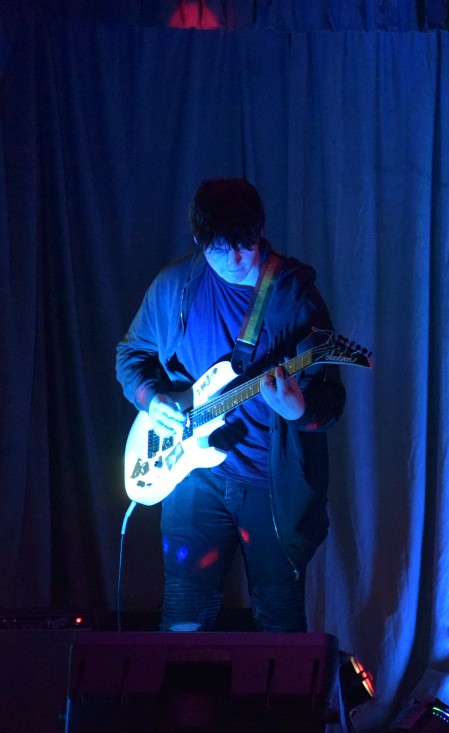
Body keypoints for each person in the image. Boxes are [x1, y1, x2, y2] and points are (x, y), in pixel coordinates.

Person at [115, 177, 345, 633]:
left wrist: (299, 410)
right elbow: (131, 356)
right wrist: (152, 399)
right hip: (192, 479)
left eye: (245, 245)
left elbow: (331, 401)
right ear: (199, 240)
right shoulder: (175, 288)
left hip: (268, 484)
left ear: (259, 233)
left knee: (280, 622)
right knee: (183, 617)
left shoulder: (294, 296)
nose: (237, 260)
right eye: (221, 249)